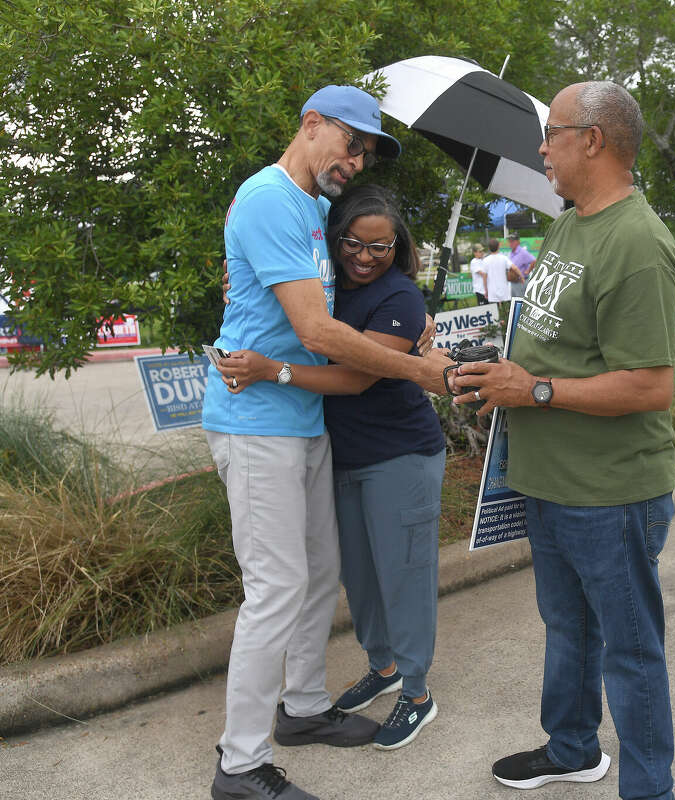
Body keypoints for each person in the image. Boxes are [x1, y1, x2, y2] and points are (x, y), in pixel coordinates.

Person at [201, 84, 452, 800]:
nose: (356, 159)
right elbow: (315, 331)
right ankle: (240, 765)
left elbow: (360, 268)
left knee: (318, 572)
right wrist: (418, 368)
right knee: (276, 587)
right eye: (351, 142)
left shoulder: (314, 209)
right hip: (255, 420)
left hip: (301, 421)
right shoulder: (269, 198)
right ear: (312, 125)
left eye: (366, 151)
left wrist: (415, 318)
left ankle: (303, 709)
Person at [450, 81, 675, 800]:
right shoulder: (569, 224)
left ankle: (649, 788)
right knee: (567, 629)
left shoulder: (638, 244)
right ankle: (572, 747)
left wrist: (538, 391)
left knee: (632, 652)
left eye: (551, 131)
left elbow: (651, 386)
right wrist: (499, 367)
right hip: (550, 481)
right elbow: (556, 340)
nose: (541, 146)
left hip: (610, 493)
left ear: (594, 140)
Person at [476, 238, 516, 303]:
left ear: (489, 248)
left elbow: (484, 277)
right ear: (498, 246)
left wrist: (486, 290)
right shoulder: (504, 258)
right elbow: (514, 268)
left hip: (492, 292)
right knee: (508, 311)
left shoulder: (486, 260)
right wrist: (521, 276)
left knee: (495, 311)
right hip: (504, 291)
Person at [507, 232, 536, 298]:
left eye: (512, 241)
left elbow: (534, 261)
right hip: (513, 282)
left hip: (521, 282)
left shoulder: (522, 252)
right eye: (510, 241)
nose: (510, 243)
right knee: (514, 303)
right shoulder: (511, 252)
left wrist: (528, 271)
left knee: (520, 303)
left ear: (518, 242)